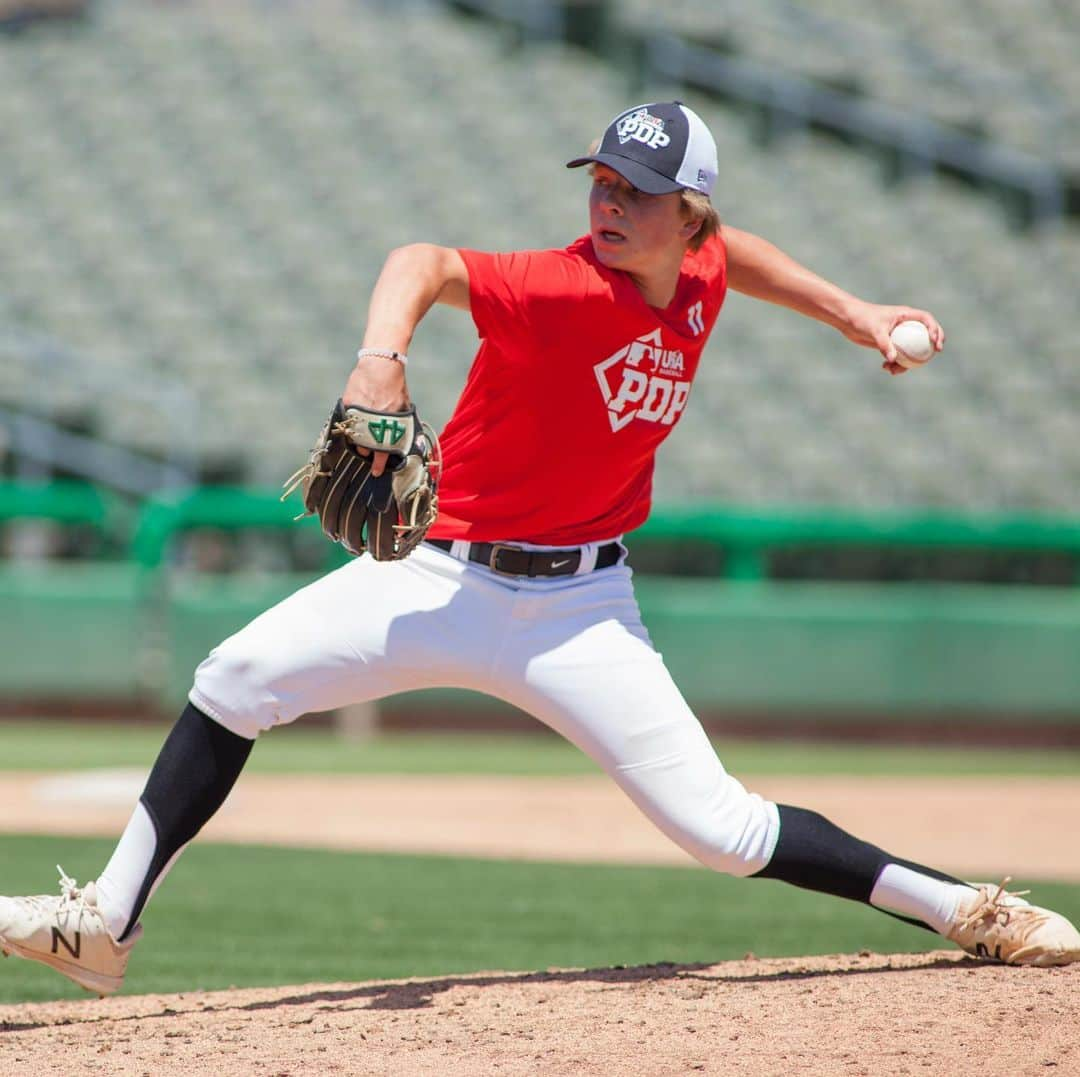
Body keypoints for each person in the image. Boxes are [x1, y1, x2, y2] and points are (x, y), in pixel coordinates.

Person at [1, 101, 1076, 997]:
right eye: (601, 180)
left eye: (637, 191)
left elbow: (741, 258)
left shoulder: (702, 270)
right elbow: (419, 259)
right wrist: (382, 359)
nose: (609, 201)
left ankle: (963, 908)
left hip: (582, 611)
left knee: (725, 832)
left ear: (690, 215)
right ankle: (106, 926)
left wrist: (853, 311)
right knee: (232, 678)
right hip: (441, 578)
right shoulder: (558, 289)